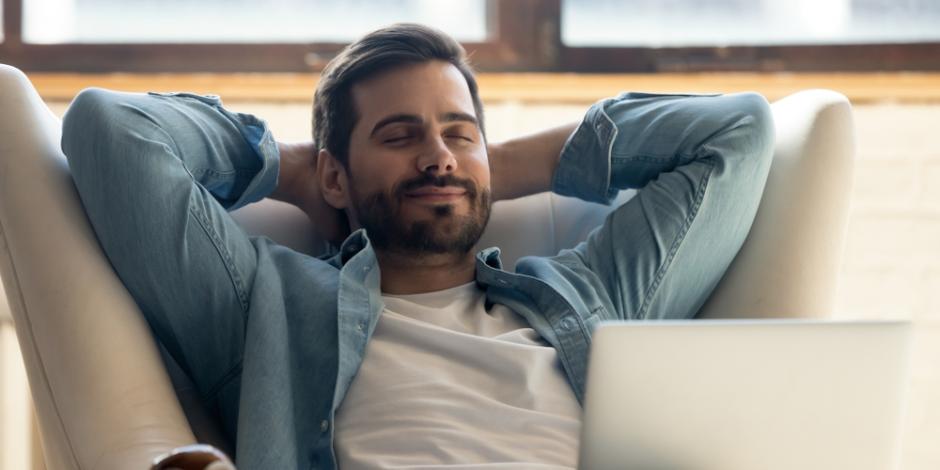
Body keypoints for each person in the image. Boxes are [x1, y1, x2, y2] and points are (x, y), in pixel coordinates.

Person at [61, 23, 774, 470]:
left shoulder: (592, 294)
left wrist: (481, 167)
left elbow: (738, 132)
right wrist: (299, 173)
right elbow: (109, 128)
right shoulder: (266, 307)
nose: (436, 156)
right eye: (400, 136)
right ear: (335, 171)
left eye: (458, 131)